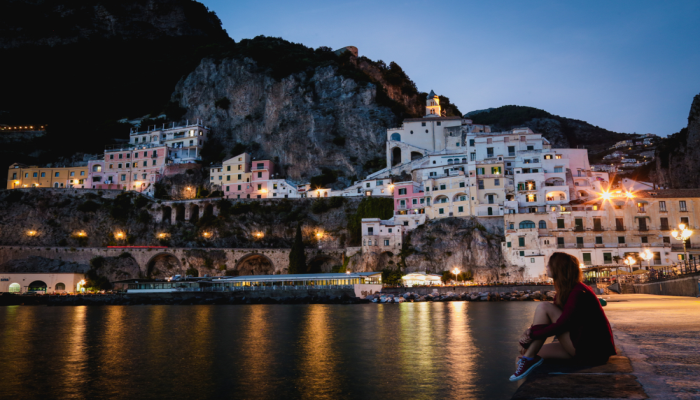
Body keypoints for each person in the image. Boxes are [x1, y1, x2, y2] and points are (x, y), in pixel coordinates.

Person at [509, 252, 616, 382]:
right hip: (578, 343)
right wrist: (529, 333)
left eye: (549, 265)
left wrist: (531, 335)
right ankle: (528, 363)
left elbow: (562, 324)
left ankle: (529, 358)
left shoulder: (578, 292)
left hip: (591, 351)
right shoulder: (564, 293)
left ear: (559, 268)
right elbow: (551, 323)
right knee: (520, 358)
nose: (546, 268)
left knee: (544, 307)